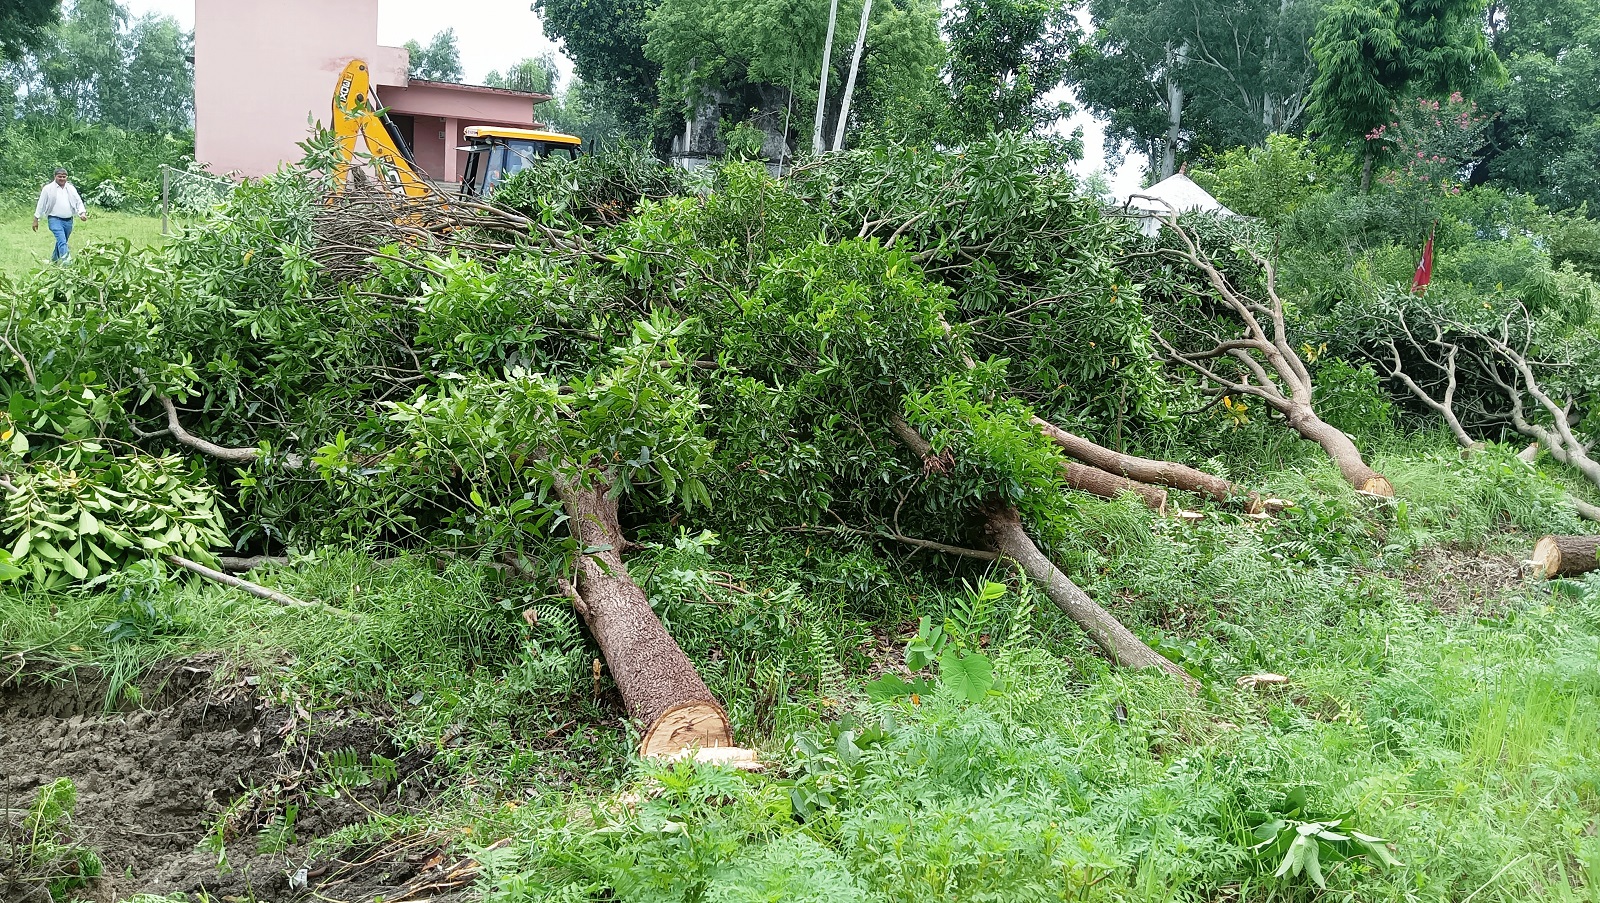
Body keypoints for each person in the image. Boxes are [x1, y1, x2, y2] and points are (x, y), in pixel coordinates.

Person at [33, 168, 88, 263]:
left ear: (67, 177)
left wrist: (82, 213)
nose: (62, 179)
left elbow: (78, 201)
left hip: (68, 220)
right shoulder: (48, 189)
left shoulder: (70, 188)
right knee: (62, 241)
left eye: (64, 177)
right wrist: (36, 219)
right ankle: (67, 263)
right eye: (59, 177)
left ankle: (54, 260)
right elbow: (41, 204)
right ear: (55, 177)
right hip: (54, 219)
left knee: (62, 241)